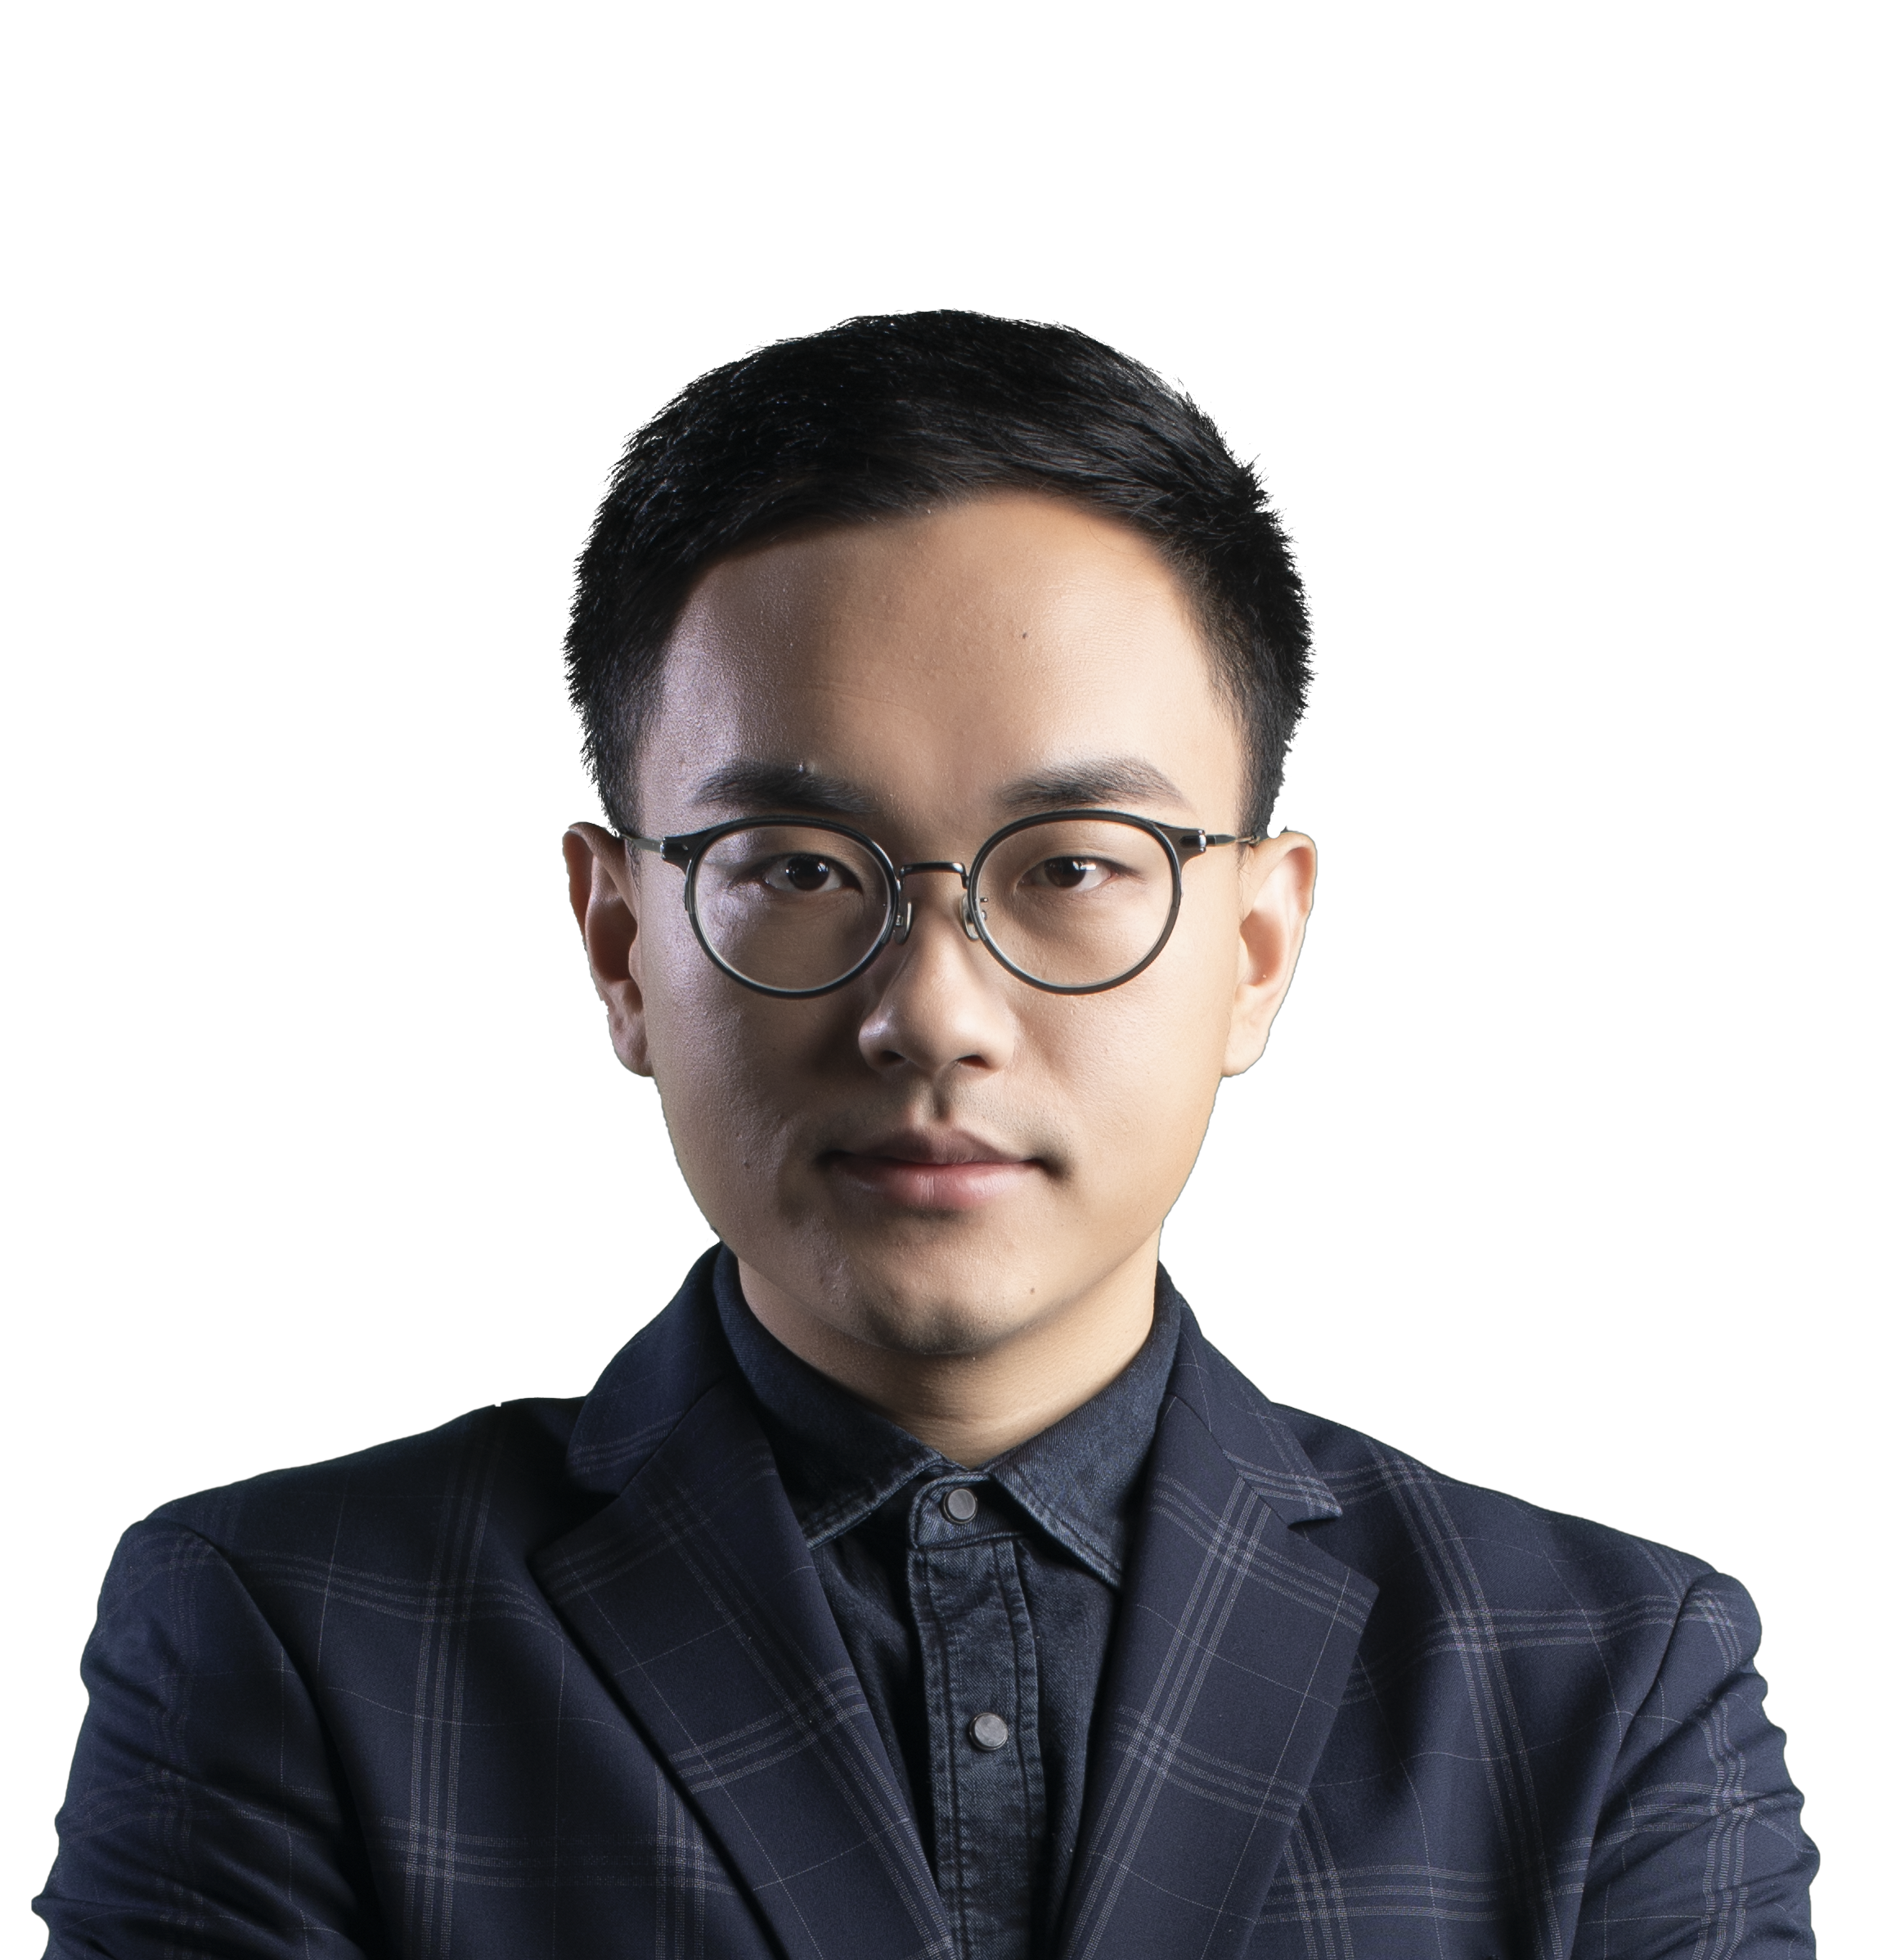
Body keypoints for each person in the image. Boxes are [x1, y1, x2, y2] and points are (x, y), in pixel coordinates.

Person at [38, 312, 1815, 1958]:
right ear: (620, 948)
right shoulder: (284, 1630)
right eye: (803, 871)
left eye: (1074, 867)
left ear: (1259, 951)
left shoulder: (1609, 1685)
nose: (935, 1013)